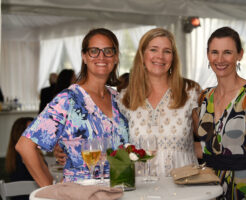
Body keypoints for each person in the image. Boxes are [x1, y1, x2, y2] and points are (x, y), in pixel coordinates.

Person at [16, 28, 129, 187]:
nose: (101, 56)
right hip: (80, 193)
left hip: (120, 190)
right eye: (94, 51)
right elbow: (25, 146)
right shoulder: (68, 99)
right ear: (84, 56)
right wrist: (50, 188)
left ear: (116, 57)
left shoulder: (118, 99)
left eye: (108, 51)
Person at [192, 27, 246, 200]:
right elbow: (202, 149)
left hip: (243, 188)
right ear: (208, 55)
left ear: (239, 55)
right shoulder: (203, 97)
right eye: (215, 52)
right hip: (207, 188)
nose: (220, 59)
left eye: (227, 52)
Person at [118, 28, 201, 176]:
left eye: (167, 51)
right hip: (142, 189)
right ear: (142, 55)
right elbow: (114, 143)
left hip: (184, 186)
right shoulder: (126, 98)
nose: (160, 56)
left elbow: (209, 138)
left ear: (173, 57)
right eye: (153, 50)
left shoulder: (190, 92)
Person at [5, 117, 35, 200]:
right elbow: (46, 185)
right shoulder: (27, 157)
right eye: (32, 130)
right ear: (20, 135)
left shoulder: (14, 157)